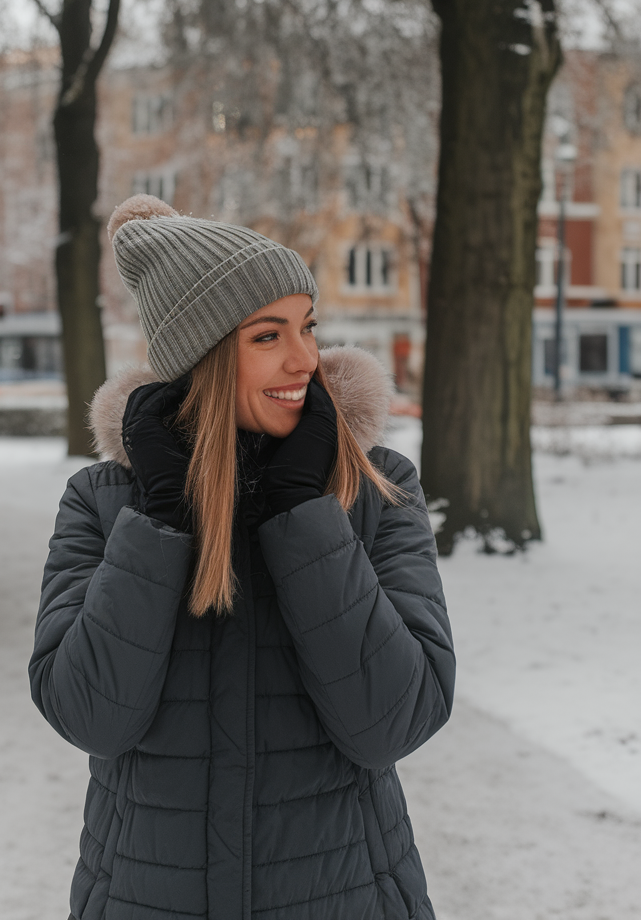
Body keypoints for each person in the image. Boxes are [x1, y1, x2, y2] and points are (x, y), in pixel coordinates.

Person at [30, 194, 455, 920]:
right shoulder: (104, 502)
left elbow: (395, 722)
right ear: (201, 354)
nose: (305, 358)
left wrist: (304, 515)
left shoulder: (376, 489)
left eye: (307, 327)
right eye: (268, 336)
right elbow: (89, 716)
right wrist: (159, 522)